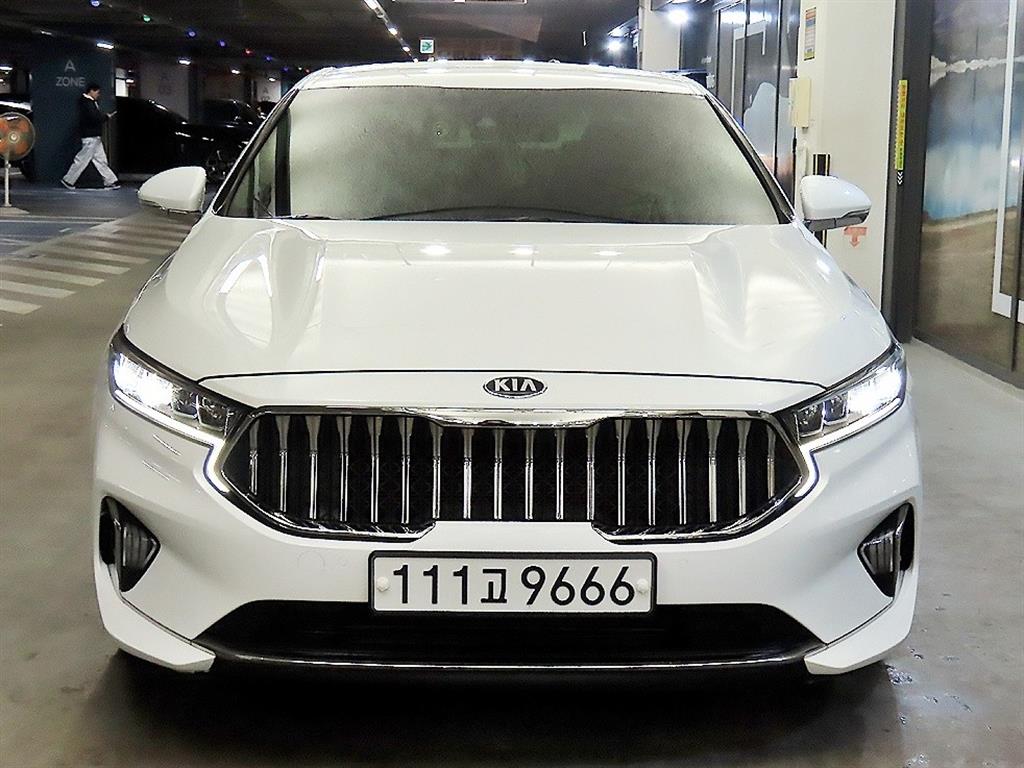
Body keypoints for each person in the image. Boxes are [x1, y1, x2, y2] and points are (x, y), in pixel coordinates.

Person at [61, 83, 119, 190]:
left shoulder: (86, 103)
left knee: (100, 160)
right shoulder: (87, 103)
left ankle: (110, 181)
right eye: (97, 92)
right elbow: (94, 118)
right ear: (91, 91)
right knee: (82, 160)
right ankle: (68, 180)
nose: (98, 95)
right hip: (91, 136)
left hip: (93, 136)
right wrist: (106, 117)